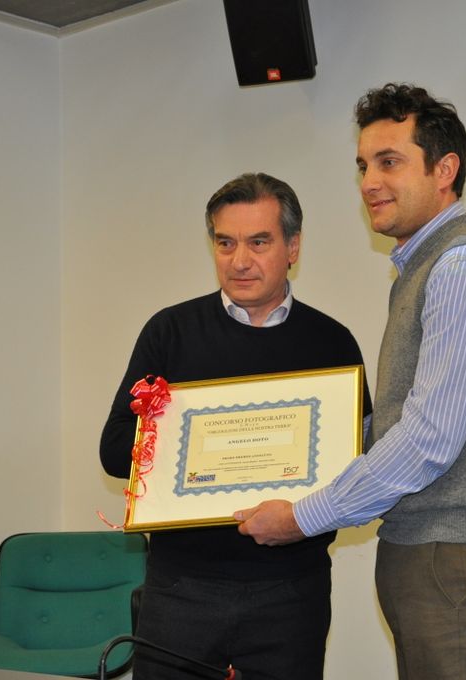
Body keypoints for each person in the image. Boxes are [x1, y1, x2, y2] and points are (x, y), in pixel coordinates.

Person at [235, 83, 466, 679]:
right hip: (441, 555)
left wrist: (305, 515)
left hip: (461, 557)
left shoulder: (465, 268)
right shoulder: (426, 267)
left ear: (444, 170)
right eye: (363, 165)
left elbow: (428, 439)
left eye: (389, 162)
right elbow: (403, 423)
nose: (369, 183)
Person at [99, 172, 372, 680]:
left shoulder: (331, 342)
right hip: (181, 587)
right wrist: (176, 430)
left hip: (291, 590)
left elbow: (359, 465)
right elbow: (114, 452)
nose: (239, 260)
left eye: (259, 242)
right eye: (225, 243)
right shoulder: (170, 332)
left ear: (293, 247)